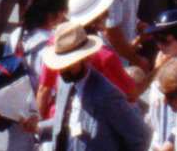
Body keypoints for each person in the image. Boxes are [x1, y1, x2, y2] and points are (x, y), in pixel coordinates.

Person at [43, 23, 150, 151]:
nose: (62, 71)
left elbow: (140, 137)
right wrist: (39, 127)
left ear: (85, 59)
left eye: (69, 65)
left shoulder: (107, 95)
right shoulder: (64, 83)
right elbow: (64, 123)